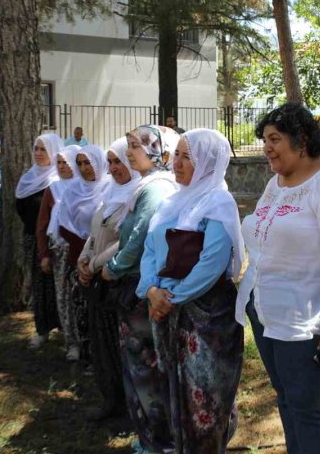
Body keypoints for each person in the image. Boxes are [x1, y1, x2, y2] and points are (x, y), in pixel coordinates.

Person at [234, 103, 320, 454]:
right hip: (265, 316)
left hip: (306, 323)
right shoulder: (275, 184)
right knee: (288, 403)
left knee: (309, 412)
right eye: (264, 139)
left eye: (275, 139)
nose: (267, 147)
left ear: (302, 140)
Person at [138, 128, 245, 452]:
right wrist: (151, 290)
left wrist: (171, 298)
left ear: (208, 163)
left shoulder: (218, 202)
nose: (177, 163)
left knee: (206, 402)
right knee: (175, 393)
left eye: (188, 157)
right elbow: (150, 251)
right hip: (166, 308)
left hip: (207, 317)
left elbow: (211, 263)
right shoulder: (172, 203)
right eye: (177, 155)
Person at [102, 125, 179, 452]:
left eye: (137, 146)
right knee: (142, 367)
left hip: (140, 287)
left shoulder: (156, 189)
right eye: (130, 145)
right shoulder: (147, 185)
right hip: (138, 286)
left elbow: (138, 240)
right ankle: (152, 436)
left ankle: (159, 441)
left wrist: (112, 268)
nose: (131, 151)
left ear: (158, 151)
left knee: (146, 369)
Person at [76, 138, 138, 421]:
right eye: (110, 162)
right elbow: (95, 232)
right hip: (97, 277)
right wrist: (83, 259)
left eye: (120, 161)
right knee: (101, 343)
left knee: (119, 345)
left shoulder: (137, 195)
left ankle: (127, 406)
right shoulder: (111, 192)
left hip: (118, 278)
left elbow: (127, 239)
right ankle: (110, 398)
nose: (114, 168)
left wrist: (96, 263)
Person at [55, 145, 108, 365]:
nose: (84, 168)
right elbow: (63, 224)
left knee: (98, 309)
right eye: (80, 164)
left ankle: (100, 353)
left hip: (103, 257)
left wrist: (95, 252)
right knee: (78, 306)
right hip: (78, 256)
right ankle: (79, 348)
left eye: (88, 163)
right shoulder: (72, 190)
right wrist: (83, 252)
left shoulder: (109, 188)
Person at [16, 133, 64, 350]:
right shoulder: (28, 178)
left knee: (59, 286)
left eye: (43, 149)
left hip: (55, 241)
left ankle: (65, 327)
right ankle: (42, 329)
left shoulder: (58, 180)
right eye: (36, 148)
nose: (38, 153)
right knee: (38, 285)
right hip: (32, 239)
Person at [37, 144, 82, 360]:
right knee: (63, 297)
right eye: (60, 163)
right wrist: (44, 253)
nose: (63, 166)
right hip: (60, 251)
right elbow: (42, 224)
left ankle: (86, 340)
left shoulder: (87, 187)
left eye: (67, 162)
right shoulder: (52, 188)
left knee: (80, 298)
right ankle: (71, 342)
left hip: (82, 251)